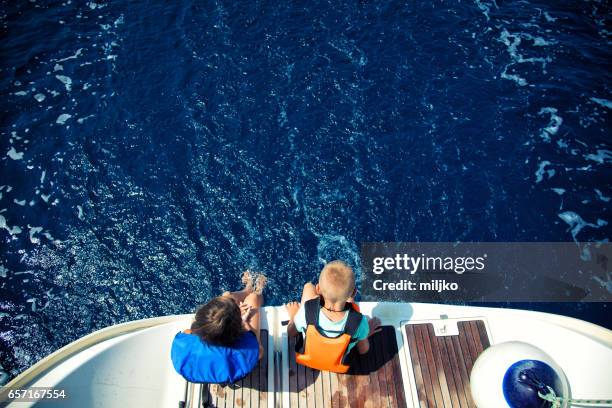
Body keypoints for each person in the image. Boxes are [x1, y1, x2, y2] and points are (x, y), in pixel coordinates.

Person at [285, 260, 381, 373]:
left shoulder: (307, 312)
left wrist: (293, 315)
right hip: (337, 365)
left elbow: (291, 333)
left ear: (318, 289)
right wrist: (365, 334)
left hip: (310, 360)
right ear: (354, 292)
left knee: (308, 287)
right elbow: (363, 350)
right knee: (350, 302)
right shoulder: (359, 323)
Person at [171, 271, 266, 384]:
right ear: (237, 331)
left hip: (199, 373)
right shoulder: (240, 352)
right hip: (231, 373)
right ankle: (256, 290)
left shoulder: (182, 347)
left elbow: (188, 331)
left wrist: (233, 317)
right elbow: (260, 353)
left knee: (227, 296)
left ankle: (247, 288)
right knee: (253, 299)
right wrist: (244, 323)